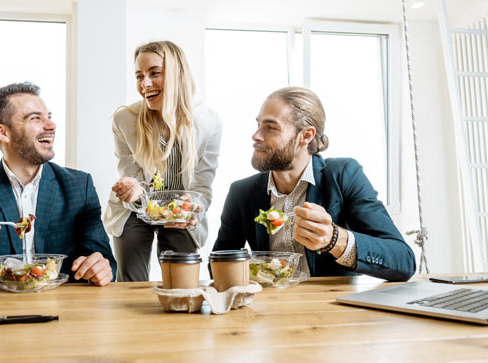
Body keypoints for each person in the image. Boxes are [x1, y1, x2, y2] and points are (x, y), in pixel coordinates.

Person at [212, 86, 415, 281]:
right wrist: (250, 271)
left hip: (330, 310)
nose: (256, 136)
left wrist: (334, 239)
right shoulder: (241, 192)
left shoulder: (344, 175)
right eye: (258, 125)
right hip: (269, 310)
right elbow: (218, 266)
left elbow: (403, 261)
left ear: (306, 136)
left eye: (271, 128)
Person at [0, 82, 116, 287]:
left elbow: (106, 263)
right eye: (35, 118)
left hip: (66, 309)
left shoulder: (79, 185)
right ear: (3, 132)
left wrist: (100, 269)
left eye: (49, 117)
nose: (51, 125)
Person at [105, 41, 223, 282]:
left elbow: (202, 187)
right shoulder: (124, 119)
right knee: (131, 282)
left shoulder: (209, 122)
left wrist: (192, 205)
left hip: (179, 211)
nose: (145, 84)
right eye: (139, 76)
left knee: (181, 281)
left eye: (154, 73)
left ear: (177, 75)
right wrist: (136, 193)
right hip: (134, 209)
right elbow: (133, 177)